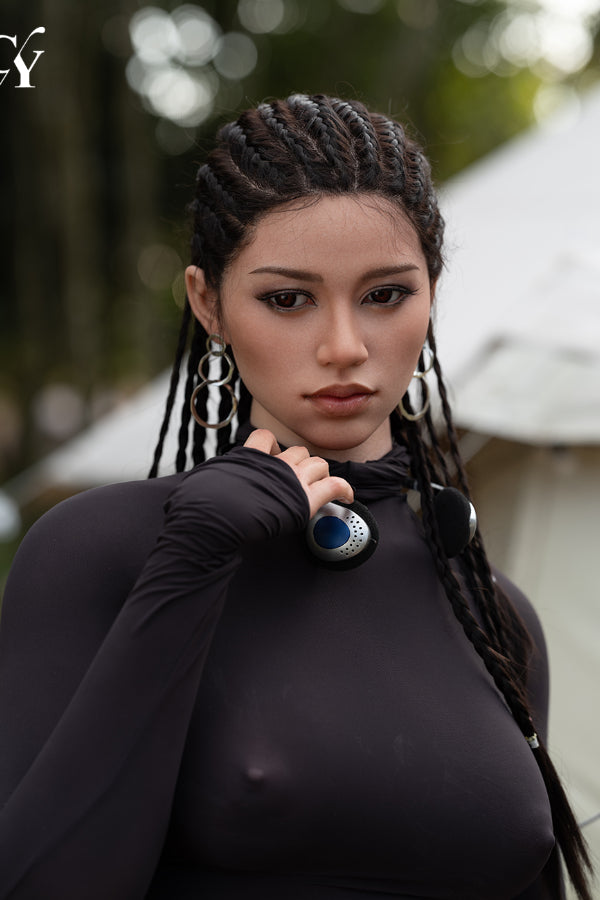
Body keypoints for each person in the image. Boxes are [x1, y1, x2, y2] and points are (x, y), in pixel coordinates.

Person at [0, 94, 592, 900]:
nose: (344, 347)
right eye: (288, 299)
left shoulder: (495, 613)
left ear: (433, 292)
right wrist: (192, 562)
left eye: (385, 295)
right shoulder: (103, 551)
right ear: (207, 302)